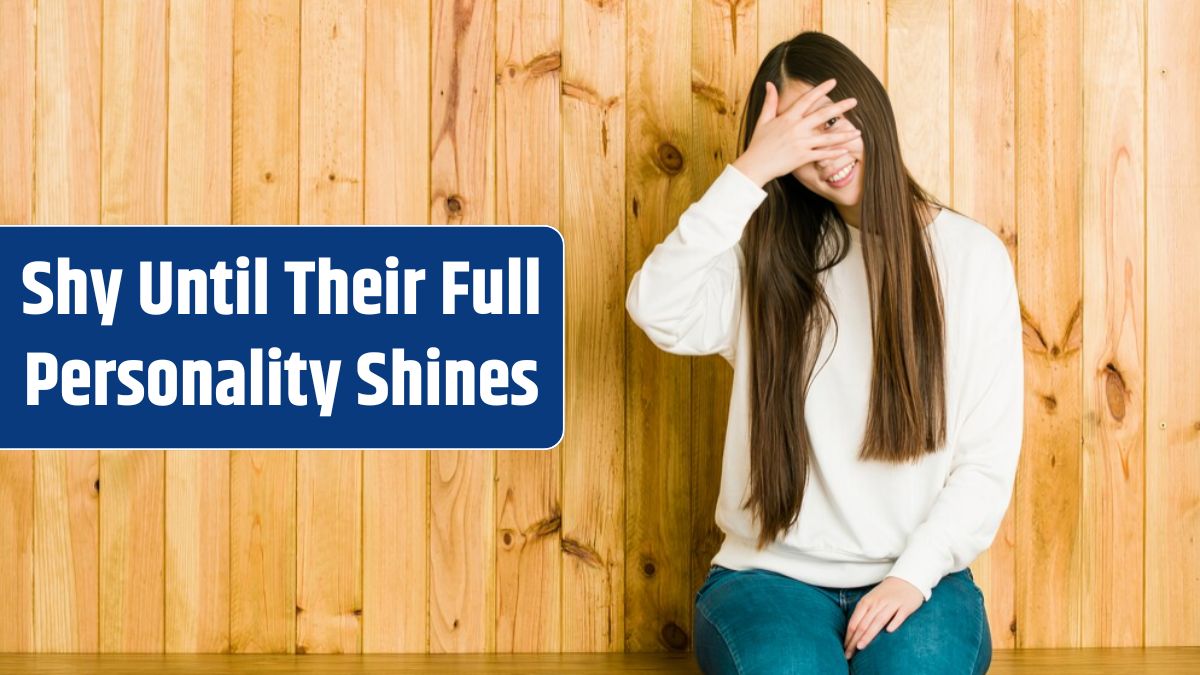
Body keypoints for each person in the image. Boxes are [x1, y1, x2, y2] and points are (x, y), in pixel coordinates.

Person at [624, 31, 1023, 675]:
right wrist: (751, 170)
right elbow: (656, 307)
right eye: (798, 138)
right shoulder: (766, 259)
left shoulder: (971, 259)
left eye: (833, 120)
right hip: (767, 579)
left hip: (915, 579)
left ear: (871, 108)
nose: (825, 153)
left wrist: (912, 577)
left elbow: (985, 462)